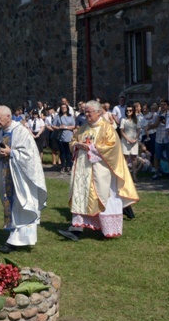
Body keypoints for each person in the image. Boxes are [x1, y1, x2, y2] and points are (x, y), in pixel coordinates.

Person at [58, 100, 139, 241]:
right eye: (85, 112)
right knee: (81, 197)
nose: (87, 114)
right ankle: (76, 229)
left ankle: (108, 230)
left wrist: (91, 148)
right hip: (83, 171)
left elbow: (112, 147)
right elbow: (73, 141)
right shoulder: (83, 128)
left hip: (101, 172)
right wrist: (76, 144)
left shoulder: (107, 128)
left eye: (89, 112)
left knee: (104, 198)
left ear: (98, 112)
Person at [0, 106, 47, 254]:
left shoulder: (21, 132)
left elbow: (30, 155)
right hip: (6, 174)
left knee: (21, 204)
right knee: (11, 203)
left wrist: (11, 153)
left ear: (8, 117)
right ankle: (14, 234)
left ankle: (16, 240)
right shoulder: (1, 133)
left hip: (21, 177)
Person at [119, 104, 141, 181]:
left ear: (133, 111)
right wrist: (128, 139)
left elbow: (138, 130)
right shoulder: (123, 120)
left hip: (134, 140)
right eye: (127, 110)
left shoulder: (136, 120)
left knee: (134, 158)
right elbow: (122, 131)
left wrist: (135, 139)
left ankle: (134, 175)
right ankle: (125, 175)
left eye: (130, 110)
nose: (128, 112)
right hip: (125, 140)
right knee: (125, 158)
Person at [54, 103, 76, 173]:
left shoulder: (70, 116)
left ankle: (69, 166)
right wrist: (59, 127)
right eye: (62, 107)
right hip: (61, 136)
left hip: (69, 136)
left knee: (68, 152)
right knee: (62, 152)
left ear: (67, 108)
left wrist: (66, 127)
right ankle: (63, 166)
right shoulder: (58, 116)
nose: (63, 108)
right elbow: (53, 125)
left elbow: (73, 126)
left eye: (65, 107)